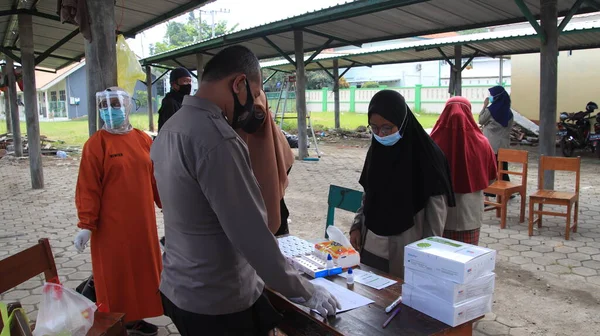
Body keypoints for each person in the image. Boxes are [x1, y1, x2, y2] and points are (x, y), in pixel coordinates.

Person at [151, 45, 339, 336]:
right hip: (218, 301)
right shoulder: (218, 140)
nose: (252, 106)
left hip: (180, 287)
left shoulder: (171, 127)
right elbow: (250, 234)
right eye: (254, 94)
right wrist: (304, 289)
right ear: (239, 84)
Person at [73, 87, 163, 336]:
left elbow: (155, 177)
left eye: (114, 104)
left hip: (142, 223)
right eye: (104, 106)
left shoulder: (143, 139)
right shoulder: (95, 145)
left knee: (143, 272)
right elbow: (88, 188)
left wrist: (168, 204)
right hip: (110, 228)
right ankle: (116, 323)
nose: (109, 110)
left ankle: (135, 320)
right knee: (115, 277)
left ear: (127, 105)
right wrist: (86, 225)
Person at [349, 90, 455, 278]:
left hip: (405, 252)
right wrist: (356, 226)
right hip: (370, 245)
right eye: (373, 127)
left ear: (403, 121)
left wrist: (425, 258)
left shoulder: (428, 157)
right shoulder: (377, 151)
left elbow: (436, 216)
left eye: (387, 128)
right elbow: (368, 192)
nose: (380, 134)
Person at [430, 97, 497, 245]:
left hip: (438, 212)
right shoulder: (482, 143)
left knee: (439, 259)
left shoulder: (431, 142)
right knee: (466, 258)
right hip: (469, 212)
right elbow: (491, 177)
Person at [235, 89, 295, 236]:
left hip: (270, 155)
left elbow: (255, 118)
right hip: (258, 155)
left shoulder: (253, 95)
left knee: (271, 203)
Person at [479, 85, 514, 186]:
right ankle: (506, 188)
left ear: (496, 97)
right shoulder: (509, 111)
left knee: (491, 168)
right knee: (503, 168)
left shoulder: (491, 110)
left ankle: (492, 190)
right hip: (503, 144)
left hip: (491, 145)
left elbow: (481, 120)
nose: (490, 97)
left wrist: (484, 106)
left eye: (491, 95)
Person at [157, 67, 192, 132]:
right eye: (185, 81)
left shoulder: (185, 101)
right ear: (174, 85)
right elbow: (171, 130)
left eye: (189, 81)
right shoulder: (169, 103)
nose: (188, 84)